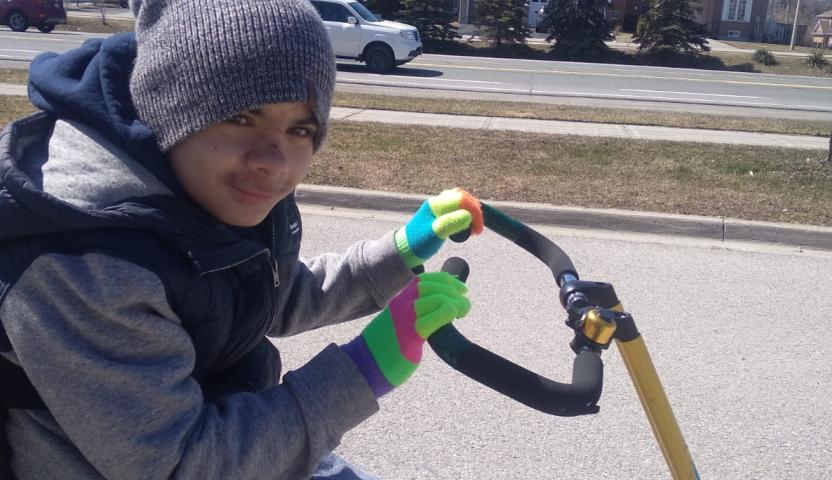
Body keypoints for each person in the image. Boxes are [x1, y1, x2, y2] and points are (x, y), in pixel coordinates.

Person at [0, 0, 484, 478]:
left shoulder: (193, 189)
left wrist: (401, 249)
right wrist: (367, 368)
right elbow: (180, 464)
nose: (274, 161)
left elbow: (269, 296)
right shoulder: (87, 262)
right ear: (173, 109)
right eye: (241, 117)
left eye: (300, 128)